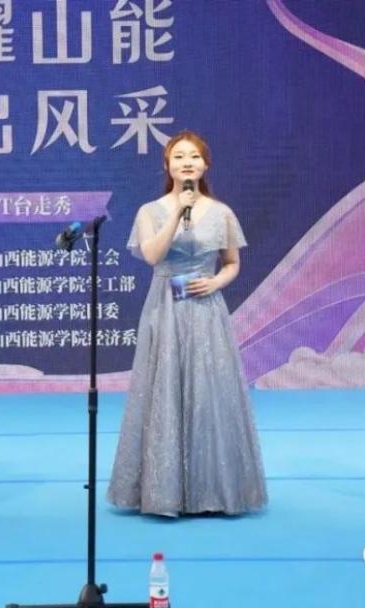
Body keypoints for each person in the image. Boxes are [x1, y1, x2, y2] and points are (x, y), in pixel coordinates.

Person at [107, 131, 267, 516]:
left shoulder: (222, 213)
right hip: (165, 307)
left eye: (194, 157)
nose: (187, 163)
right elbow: (151, 255)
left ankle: (213, 490)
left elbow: (232, 263)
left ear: (205, 165)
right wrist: (178, 212)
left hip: (206, 309)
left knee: (209, 392)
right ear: (167, 165)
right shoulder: (150, 211)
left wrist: (216, 281)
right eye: (178, 157)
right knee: (163, 389)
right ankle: (163, 491)